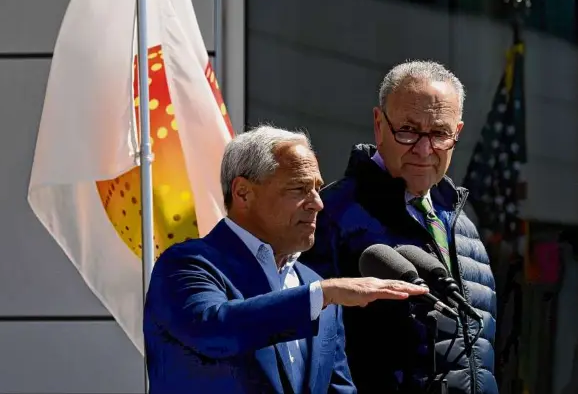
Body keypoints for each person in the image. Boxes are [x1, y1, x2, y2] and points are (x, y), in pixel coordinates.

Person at [144, 125, 429, 394]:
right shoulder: (186, 264)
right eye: (299, 189)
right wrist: (322, 295)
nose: (318, 203)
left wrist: (322, 294)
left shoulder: (314, 285)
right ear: (243, 192)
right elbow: (215, 330)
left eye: (317, 188)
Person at [301, 60, 499, 393]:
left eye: (439, 134)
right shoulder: (330, 216)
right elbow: (309, 349)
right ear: (379, 125)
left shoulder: (462, 224)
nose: (424, 150)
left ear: (457, 133)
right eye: (407, 130)